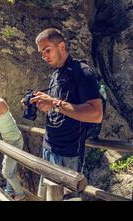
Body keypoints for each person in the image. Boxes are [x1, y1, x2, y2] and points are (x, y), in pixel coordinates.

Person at [29, 28, 103, 197]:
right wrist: (44, 103)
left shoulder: (82, 72)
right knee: (47, 197)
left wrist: (54, 103)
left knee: (64, 198)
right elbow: (59, 106)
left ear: (61, 46)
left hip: (68, 153)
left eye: (47, 50)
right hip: (48, 147)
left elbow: (96, 114)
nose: (44, 56)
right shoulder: (56, 74)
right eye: (41, 53)